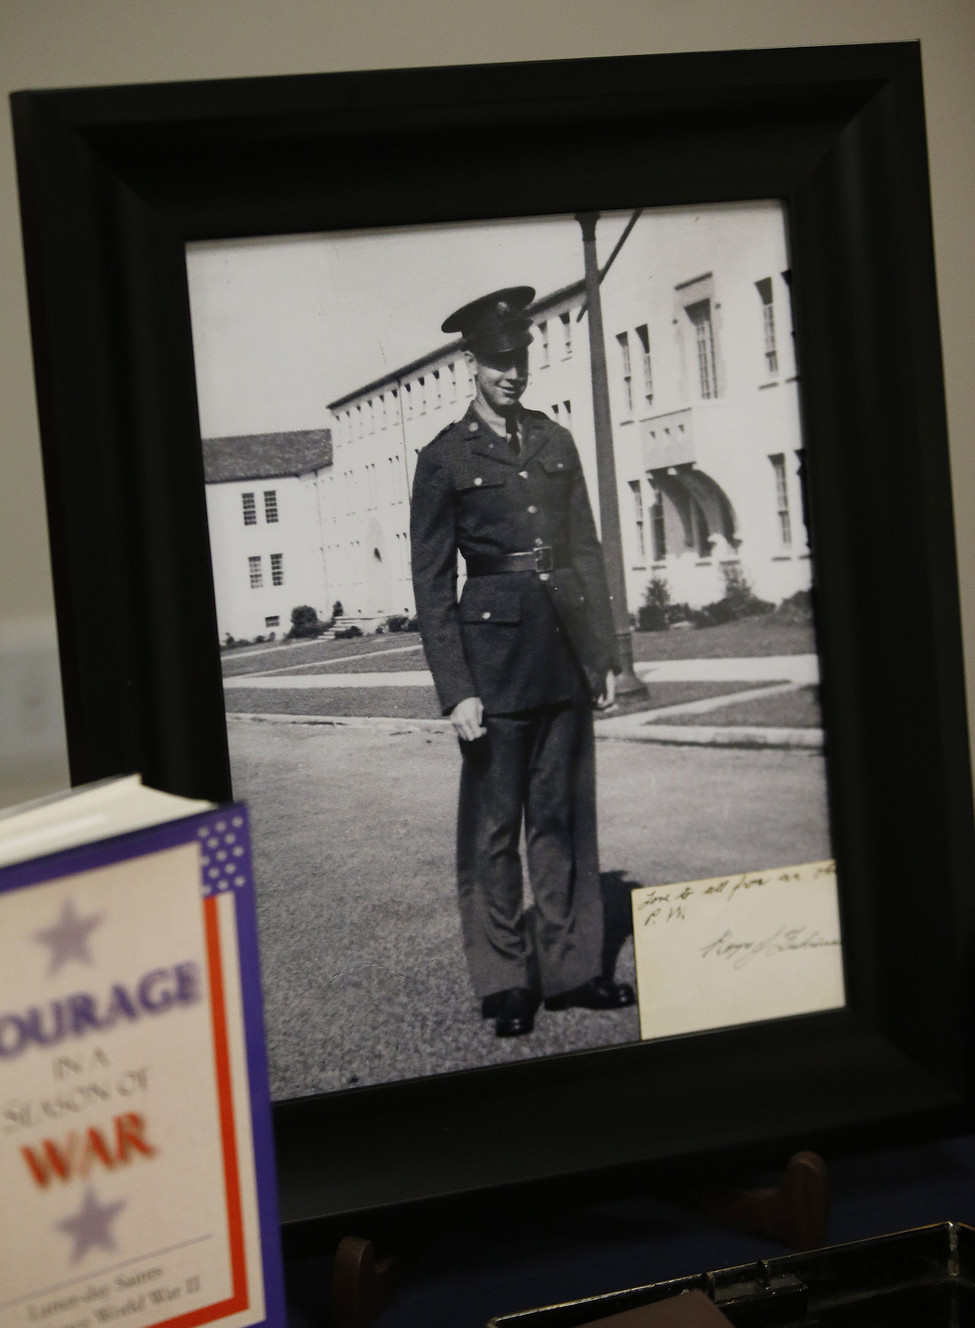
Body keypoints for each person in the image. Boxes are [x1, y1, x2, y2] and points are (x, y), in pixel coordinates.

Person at [410, 286, 635, 1037]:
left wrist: (602, 656)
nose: (511, 371)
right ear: (470, 363)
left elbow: (585, 551)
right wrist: (456, 690)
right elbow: (432, 581)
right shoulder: (444, 459)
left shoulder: (554, 440)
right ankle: (506, 980)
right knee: (494, 829)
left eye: (520, 357)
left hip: (564, 655)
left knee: (563, 821)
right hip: (494, 662)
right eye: (497, 360)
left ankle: (573, 971)